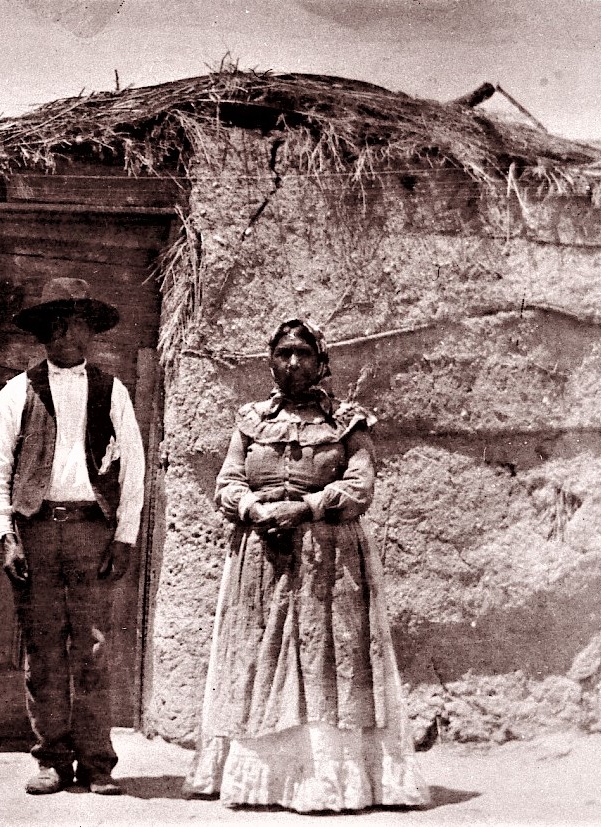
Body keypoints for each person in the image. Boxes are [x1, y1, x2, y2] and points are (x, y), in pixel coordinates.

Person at [182, 317, 430, 813]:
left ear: (321, 362)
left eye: (302, 353)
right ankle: (261, 781)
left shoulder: (347, 422)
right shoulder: (250, 420)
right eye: (282, 353)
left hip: (329, 557)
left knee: (326, 659)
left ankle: (326, 780)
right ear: (270, 360)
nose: (292, 362)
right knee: (260, 656)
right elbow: (228, 482)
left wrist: (307, 507)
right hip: (262, 554)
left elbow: (360, 486)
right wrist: (255, 510)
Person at [0, 277, 146, 796]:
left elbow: (136, 470)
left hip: (91, 534)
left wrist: (125, 536)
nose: (66, 335)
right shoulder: (17, 391)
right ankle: (52, 758)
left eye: (76, 323)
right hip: (36, 534)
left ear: (90, 332)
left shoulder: (111, 390)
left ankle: (97, 762)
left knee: (94, 649)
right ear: (43, 335)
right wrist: (6, 535)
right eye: (55, 324)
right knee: (43, 650)